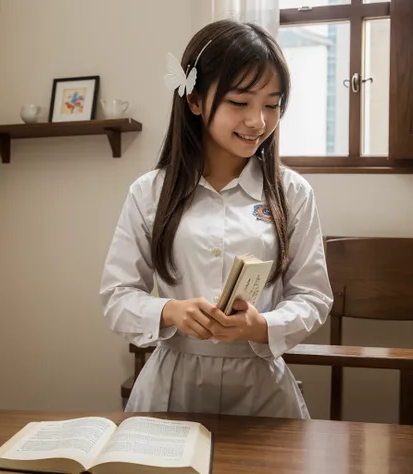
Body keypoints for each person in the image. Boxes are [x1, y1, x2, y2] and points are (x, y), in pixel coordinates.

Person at [100, 19, 333, 418]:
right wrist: (171, 312)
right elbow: (117, 297)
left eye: (272, 104)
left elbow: (313, 297)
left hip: (263, 390)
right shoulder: (150, 192)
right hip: (171, 387)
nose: (258, 121)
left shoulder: (292, 193)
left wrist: (262, 326)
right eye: (240, 103)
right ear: (194, 100)